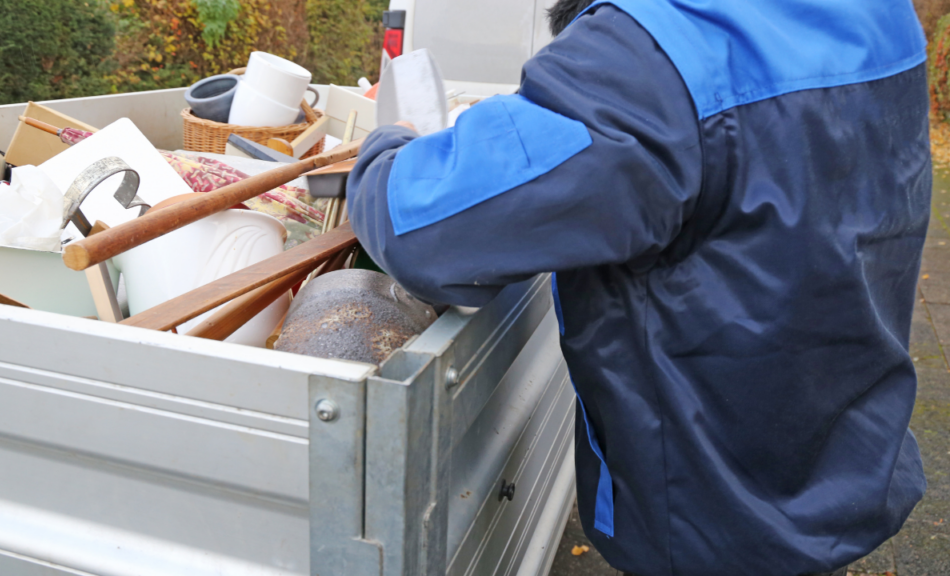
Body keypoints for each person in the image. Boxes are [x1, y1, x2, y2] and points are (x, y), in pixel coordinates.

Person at [346, 1, 931, 574]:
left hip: (712, 509)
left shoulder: (652, 50)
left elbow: (421, 228)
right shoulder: (880, 13)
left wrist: (383, 148)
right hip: (840, 457)